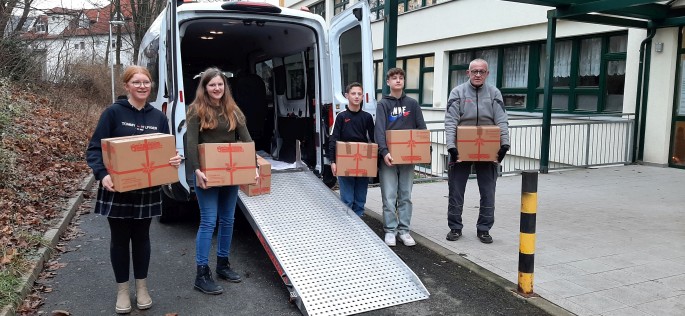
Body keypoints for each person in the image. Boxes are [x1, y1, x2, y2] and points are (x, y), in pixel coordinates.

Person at [86, 66, 182, 314]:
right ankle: (122, 291)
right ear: (127, 85)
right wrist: (102, 174)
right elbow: (95, 149)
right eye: (137, 82)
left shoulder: (158, 118)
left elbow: (165, 150)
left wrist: (173, 160)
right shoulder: (113, 113)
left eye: (146, 82)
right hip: (116, 188)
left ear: (151, 86)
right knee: (119, 241)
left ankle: (141, 288)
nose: (142, 86)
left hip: (147, 189)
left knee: (142, 239)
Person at [185, 67, 258, 295]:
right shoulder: (196, 111)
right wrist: (196, 170)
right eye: (212, 85)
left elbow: (246, 141)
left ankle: (223, 264)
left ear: (225, 86)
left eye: (220, 84)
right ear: (205, 87)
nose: (217, 88)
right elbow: (191, 144)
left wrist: (253, 166)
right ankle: (201, 273)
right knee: (208, 221)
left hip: (230, 172)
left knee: (228, 220)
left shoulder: (233, 110)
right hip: (207, 174)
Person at [444, 58, 510, 244]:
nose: (478, 74)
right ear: (468, 73)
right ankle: (455, 227)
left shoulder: (494, 93)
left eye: (482, 71)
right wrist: (451, 147)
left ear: (487, 73)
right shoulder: (458, 92)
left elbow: (502, 120)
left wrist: (504, 144)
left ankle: (484, 229)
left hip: (488, 149)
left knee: (488, 191)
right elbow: (450, 122)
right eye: (475, 71)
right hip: (461, 149)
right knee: (456, 190)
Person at [374, 68, 427, 247]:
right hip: (388, 157)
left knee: (405, 195)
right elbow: (379, 130)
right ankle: (390, 230)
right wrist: (384, 152)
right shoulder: (383, 104)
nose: (398, 80)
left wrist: (422, 150)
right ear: (388, 82)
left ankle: (404, 230)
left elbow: (421, 128)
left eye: (401, 78)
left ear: (404, 82)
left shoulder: (412, 104)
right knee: (389, 195)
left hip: (408, 157)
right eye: (394, 78)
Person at [328, 82, 375, 217]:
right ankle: (347, 226)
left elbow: (373, 141)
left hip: (363, 161)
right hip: (345, 160)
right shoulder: (341, 116)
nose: (356, 96)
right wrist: (333, 161)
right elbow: (333, 139)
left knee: (360, 199)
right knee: (347, 199)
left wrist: (374, 163)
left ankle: (359, 225)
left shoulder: (367, 117)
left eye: (359, 94)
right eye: (353, 93)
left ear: (362, 97)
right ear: (347, 96)